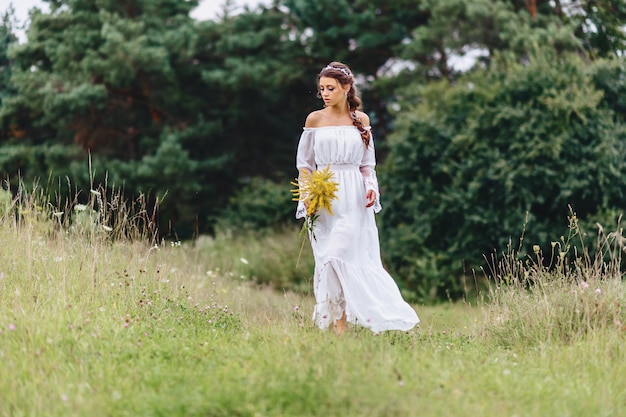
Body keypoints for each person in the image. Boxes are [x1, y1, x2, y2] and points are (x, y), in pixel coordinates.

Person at [295, 62, 419, 334]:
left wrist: (371, 186)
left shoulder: (360, 120)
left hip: (353, 197)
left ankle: (373, 312)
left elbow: (367, 164)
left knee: (342, 254)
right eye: (321, 89)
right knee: (328, 259)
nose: (325, 94)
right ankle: (339, 326)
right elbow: (305, 165)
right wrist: (307, 196)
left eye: (330, 88)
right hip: (325, 197)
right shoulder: (314, 120)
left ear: (346, 88)